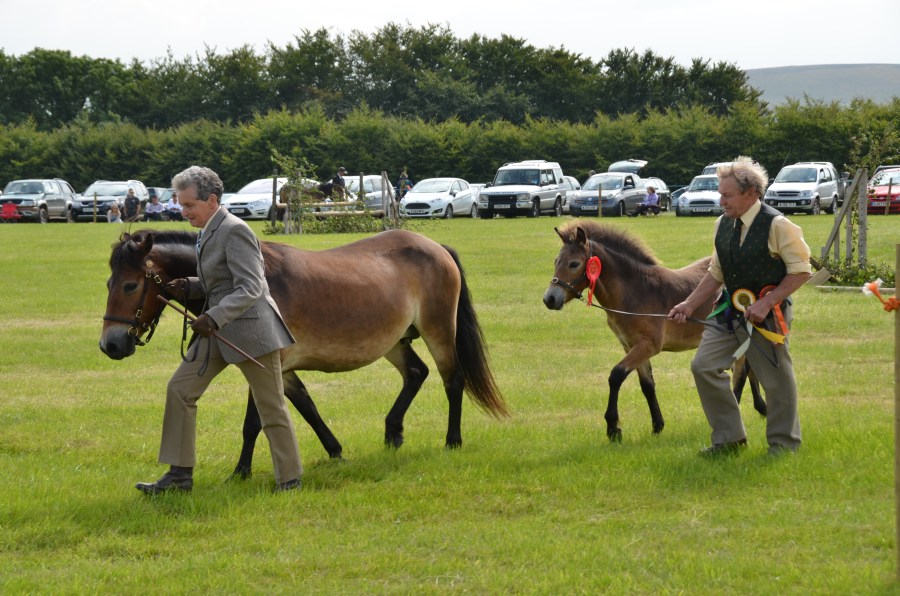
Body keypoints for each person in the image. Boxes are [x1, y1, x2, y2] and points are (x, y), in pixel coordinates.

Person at [135, 165, 302, 494]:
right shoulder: (208, 229)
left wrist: (213, 317)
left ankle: (289, 479)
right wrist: (190, 285)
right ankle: (179, 476)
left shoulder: (235, 230)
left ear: (211, 200)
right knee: (180, 390)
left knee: (270, 406)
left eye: (189, 205)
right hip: (217, 331)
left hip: (251, 332)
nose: (183, 212)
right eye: (181, 205)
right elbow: (220, 282)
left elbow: (251, 287)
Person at [667, 157, 811, 457]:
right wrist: (689, 304)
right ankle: (729, 439)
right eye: (720, 194)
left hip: (768, 315)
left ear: (751, 193)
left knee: (776, 379)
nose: (721, 201)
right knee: (704, 366)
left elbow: (801, 271)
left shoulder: (778, 225)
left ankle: (784, 445)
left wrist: (767, 302)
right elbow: (716, 272)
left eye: (727, 195)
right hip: (728, 312)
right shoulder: (722, 224)